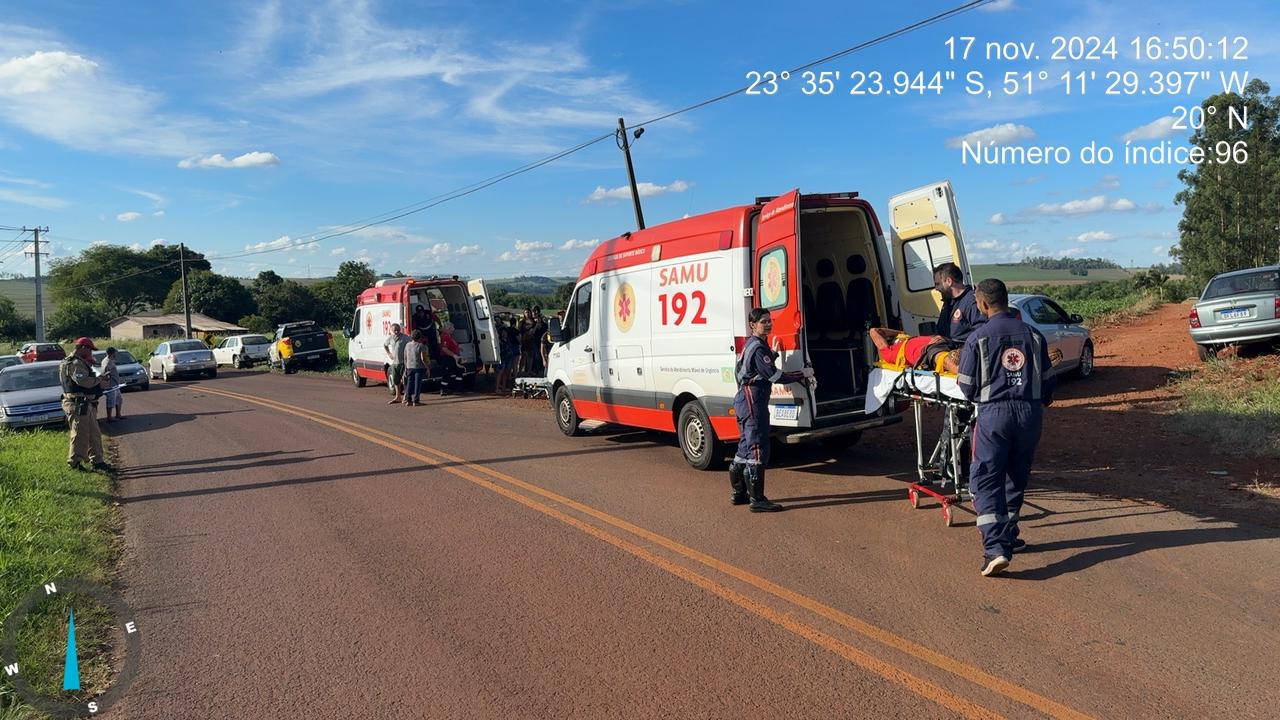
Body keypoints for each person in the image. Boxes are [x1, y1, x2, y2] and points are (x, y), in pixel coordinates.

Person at [956, 279, 1055, 577]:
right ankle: (1010, 534)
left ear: (983, 304)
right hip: (1029, 415)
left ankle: (996, 548)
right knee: (1016, 475)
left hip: (994, 415)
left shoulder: (978, 338)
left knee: (985, 478)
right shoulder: (1034, 335)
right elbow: (1049, 383)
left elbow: (967, 386)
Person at [728, 308, 815, 512]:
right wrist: (802, 373)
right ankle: (757, 500)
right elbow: (774, 376)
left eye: (769, 321)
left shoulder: (754, 345)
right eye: (763, 322)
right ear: (752, 325)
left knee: (744, 448)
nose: (768, 324)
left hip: (744, 398)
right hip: (752, 399)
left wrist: (773, 353)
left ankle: (738, 493)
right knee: (757, 447)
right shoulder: (758, 347)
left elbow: (757, 367)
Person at [60, 337, 111, 472]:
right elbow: (84, 382)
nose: (90, 353)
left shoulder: (79, 362)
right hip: (77, 404)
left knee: (94, 433)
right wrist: (99, 378)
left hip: (85, 403)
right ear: (82, 348)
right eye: (89, 349)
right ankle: (74, 463)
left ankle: (98, 461)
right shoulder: (74, 363)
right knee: (79, 434)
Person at [867, 327, 960, 374]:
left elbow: (898, 333)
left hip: (940, 341)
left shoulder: (906, 339)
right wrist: (897, 335)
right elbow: (874, 331)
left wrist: (899, 335)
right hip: (927, 352)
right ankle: (963, 375)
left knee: (958, 354)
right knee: (943, 359)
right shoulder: (888, 353)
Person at [933, 263, 986, 342]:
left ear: (949, 281)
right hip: (945, 351)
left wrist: (953, 343)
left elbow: (981, 335)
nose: (936, 288)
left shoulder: (971, 302)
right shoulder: (948, 302)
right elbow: (941, 330)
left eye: (938, 284)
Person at [403, 329, 430, 406]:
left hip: (409, 367)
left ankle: (408, 400)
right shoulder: (421, 346)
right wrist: (427, 368)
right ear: (420, 337)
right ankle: (416, 400)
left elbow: (405, 357)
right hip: (418, 367)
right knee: (417, 384)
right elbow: (423, 358)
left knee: (409, 383)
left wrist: (405, 366)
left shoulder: (407, 345)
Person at [437, 322, 464, 396]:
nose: (454, 329)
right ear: (448, 329)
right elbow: (444, 349)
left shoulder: (449, 336)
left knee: (459, 372)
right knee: (447, 374)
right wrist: (454, 355)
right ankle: (443, 389)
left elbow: (452, 346)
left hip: (452, 358)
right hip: (448, 358)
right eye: (452, 328)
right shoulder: (445, 337)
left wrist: (458, 348)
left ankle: (458, 388)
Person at [384, 323, 408, 404]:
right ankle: (398, 397)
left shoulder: (405, 338)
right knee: (396, 380)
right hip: (394, 363)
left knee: (405, 380)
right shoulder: (390, 338)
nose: (397, 331)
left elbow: (411, 345)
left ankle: (405, 396)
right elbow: (385, 345)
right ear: (391, 331)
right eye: (395, 330)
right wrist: (389, 354)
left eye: (398, 330)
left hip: (403, 362)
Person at [100, 347, 124, 421]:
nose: (116, 354)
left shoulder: (111, 360)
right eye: (115, 353)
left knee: (119, 400)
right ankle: (109, 417)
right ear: (111, 353)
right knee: (111, 400)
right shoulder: (107, 362)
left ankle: (118, 414)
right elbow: (105, 373)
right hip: (110, 385)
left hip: (115, 384)